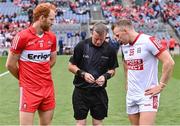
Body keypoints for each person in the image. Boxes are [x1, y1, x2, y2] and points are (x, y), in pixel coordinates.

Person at [112, 19, 174, 125]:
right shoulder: (124, 46)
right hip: (131, 94)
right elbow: (126, 63)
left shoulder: (148, 41)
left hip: (148, 94)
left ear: (126, 31)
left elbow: (169, 62)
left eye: (118, 35)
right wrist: (127, 82)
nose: (117, 39)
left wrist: (161, 85)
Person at [6, 3, 57, 125]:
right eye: (51, 19)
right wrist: (25, 78)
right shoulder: (22, 37)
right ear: (41, 18)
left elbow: (52, 60)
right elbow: (10, 64)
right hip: (29, 90)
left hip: (47, 88)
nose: (53, 22)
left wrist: (40, 73)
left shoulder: (52, 37)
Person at [68, 22, 119, 126]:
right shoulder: (82, 46)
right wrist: (83, 74)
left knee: (98, 123)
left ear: (106, 36)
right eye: (96, 38)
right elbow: (71, 66)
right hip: (80, 91)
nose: (98, 41)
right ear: (92, 33)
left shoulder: (110, 50)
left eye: (101, 39)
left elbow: (112, 70)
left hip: (99, 92)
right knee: (80, 123)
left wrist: (105, 76)